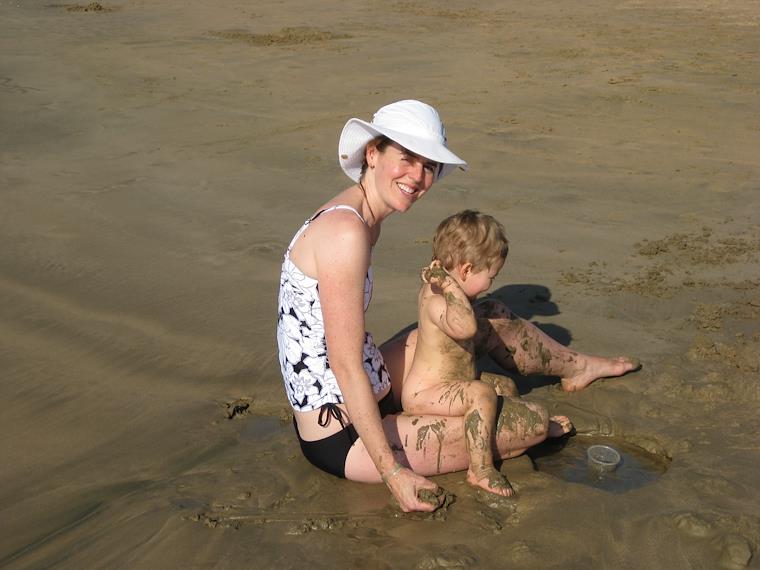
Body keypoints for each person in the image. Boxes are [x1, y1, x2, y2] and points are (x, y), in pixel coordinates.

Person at [276, 99, 638, 513]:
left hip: (370, 381)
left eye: (429, 165)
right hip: (342, 434)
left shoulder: (359, 217)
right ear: (372, 153)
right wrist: (393, 474)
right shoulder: (346, 233)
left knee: (483, 316)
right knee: (533, 424)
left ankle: (578, 367)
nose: (418, 176)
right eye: (407, 158)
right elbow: (344, 363)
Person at [402, 210, 572, 497]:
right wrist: (448, 285)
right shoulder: (436, 298)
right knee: (481, 394)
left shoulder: (454, 291)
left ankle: (521, 435)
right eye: (491, 277)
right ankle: (480, 469)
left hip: (454, 382)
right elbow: (466, 327)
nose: (491, 285)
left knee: (504, 386)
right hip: (426, 393)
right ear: (466, 270)